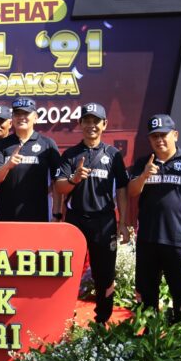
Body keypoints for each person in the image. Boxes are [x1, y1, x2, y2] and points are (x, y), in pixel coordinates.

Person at [128, 114, 181, 324]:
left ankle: (180, 333)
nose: (159, 140)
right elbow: (132, 192)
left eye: (163, 135)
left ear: (175, 135)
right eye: (154, 136)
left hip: (178, 240)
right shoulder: (143, 162)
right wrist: (144, 176)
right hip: (148, 240)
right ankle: (150, 335)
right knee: (147, 293)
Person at [54, 103, 130, 323]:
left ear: (104, 124)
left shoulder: (113, 155)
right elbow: (59, 187)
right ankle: (66, 319)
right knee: (69, 272)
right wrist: (74, 179)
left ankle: (102, 321)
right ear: (80, 124)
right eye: (86, 121)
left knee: (104, 274)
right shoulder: (70, 154)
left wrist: (122, 223)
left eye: (96, 121)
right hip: (76, 220)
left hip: (104, 222)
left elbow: (122, 190)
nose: (91, 126)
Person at [0, 97, 61, 221]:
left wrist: (56, 214)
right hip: (6, 217)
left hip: (39, 217)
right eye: (17, 113)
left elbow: (57, 182)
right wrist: (7, 166)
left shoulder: (48, 144)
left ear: (36, 117)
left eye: (26, 113)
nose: (21, 117)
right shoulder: (1, 145)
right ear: (12, 118)